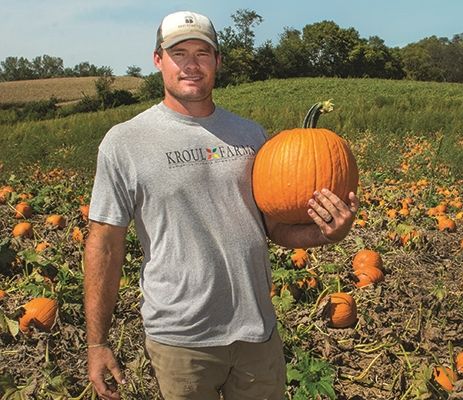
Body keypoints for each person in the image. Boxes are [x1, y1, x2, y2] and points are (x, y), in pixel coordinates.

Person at [84, 10, 358, 400]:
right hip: (182, 341)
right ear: (158, 60)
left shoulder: (251, 135)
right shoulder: (125, 142)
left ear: (217, 62)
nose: (191, 64)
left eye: (202, 53)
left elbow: (273, 227)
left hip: (257, 334)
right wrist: (97, 343)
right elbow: (105, 246)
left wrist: (327, 232)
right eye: (179, 53)